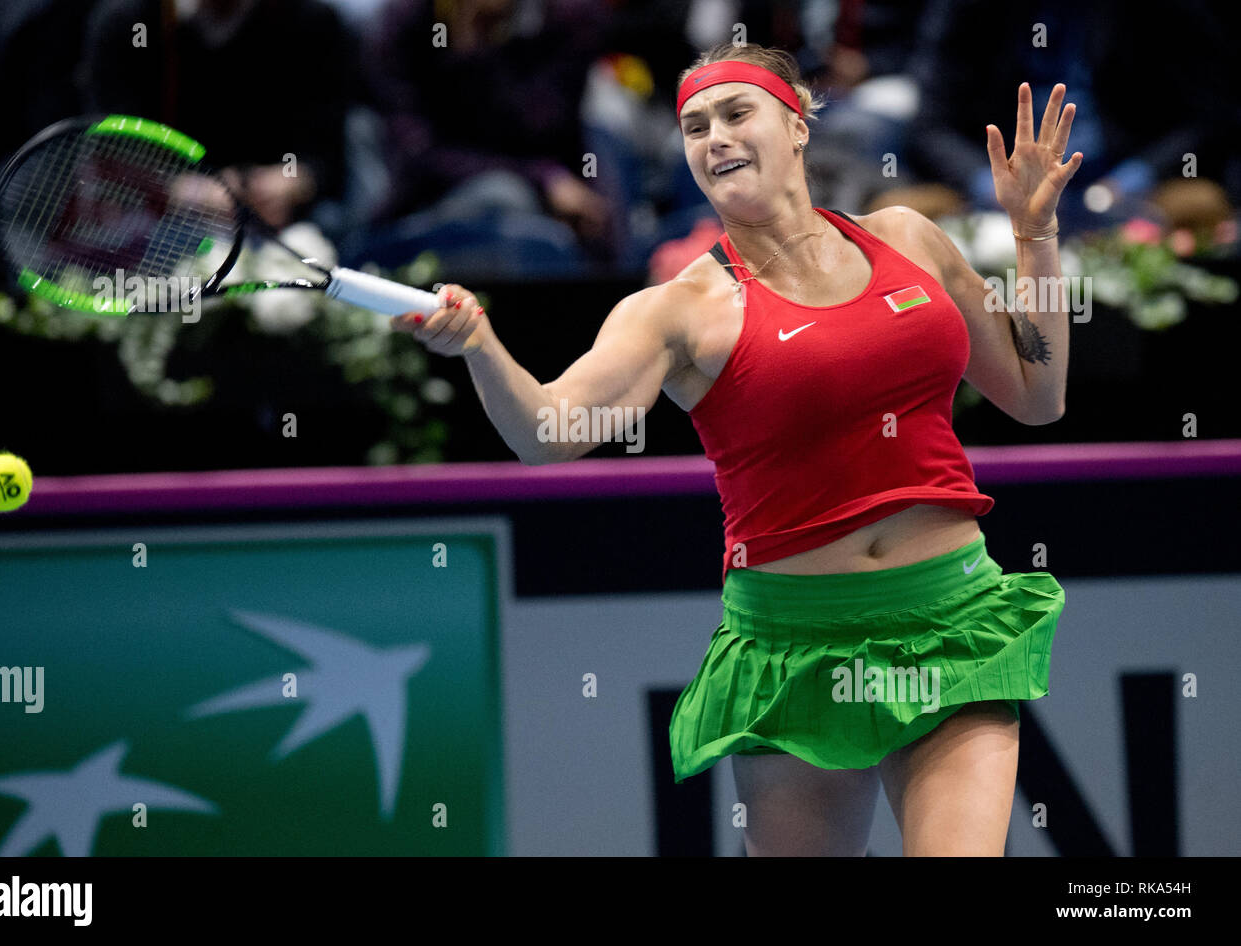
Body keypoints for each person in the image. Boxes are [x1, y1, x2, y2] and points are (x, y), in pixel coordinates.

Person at [389, 42, 1076, 856]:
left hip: (954, 621)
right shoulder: (677, 313)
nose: (713, 137)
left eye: (735, 113)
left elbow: (1038, 395)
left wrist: (1037, 238)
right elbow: (548, 432)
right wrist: (480, 345)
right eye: (693, 126)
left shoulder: (910, 241)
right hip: (791, 651)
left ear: (796, 126)